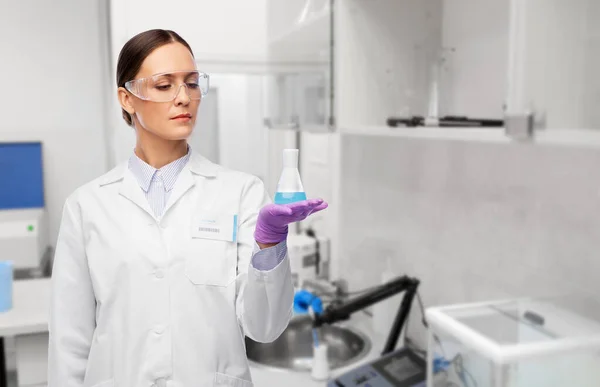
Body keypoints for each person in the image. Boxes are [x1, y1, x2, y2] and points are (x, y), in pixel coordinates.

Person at [48, 29, 328, 387]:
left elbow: (265, 328)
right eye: (165, 85)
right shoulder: (87, 206)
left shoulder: (241, 192)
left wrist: (270, 245)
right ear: (127, 98)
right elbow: (70, 344)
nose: (184, 98)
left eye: (193, 84)